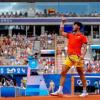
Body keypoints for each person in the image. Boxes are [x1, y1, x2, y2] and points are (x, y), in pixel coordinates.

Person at [51, 16, 88, 97]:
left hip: (77, 57)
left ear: (78, 27)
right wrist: (62, 22)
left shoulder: (82, 37)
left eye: (74, 25)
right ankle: (60, 91)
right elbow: (61, 32)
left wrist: (82, 56)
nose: (73, 26)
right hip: (69, 57)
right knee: (63, 72)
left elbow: (85, 48)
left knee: (81, 73)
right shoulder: (70, 35)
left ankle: (85, 91)